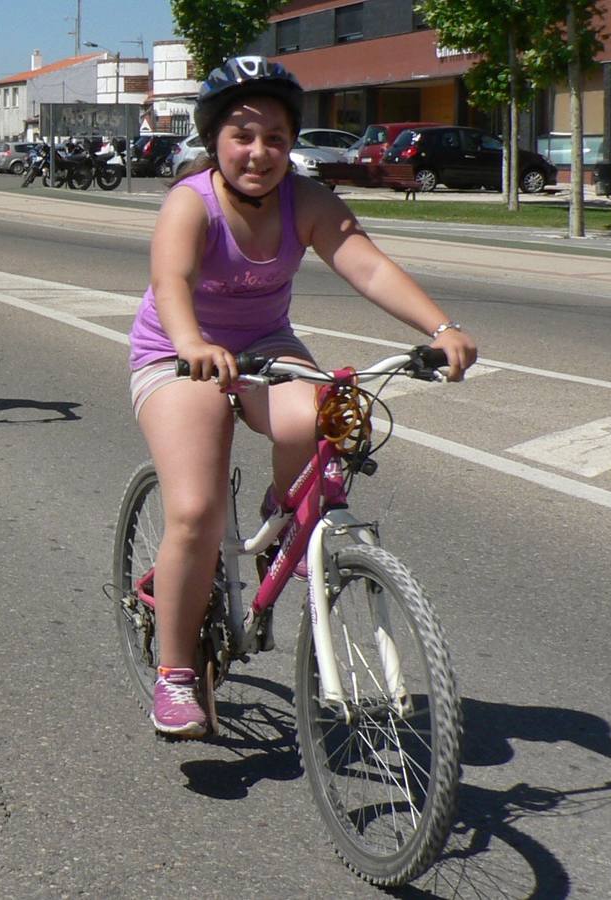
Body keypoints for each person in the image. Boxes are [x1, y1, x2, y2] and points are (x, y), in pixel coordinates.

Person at [127, 56, 477, 739]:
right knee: (194, 510)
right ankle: (174, 672)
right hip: (178, 353)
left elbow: (366, 262)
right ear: (215, 141)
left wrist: (439, 327)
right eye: (243, 135)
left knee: (329, 416)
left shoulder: (305, 200)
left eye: (277, 138)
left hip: (264, 344)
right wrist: (192, 341)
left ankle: (277, 517)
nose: (260, 152)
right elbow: (171, 282)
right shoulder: (189, 202)